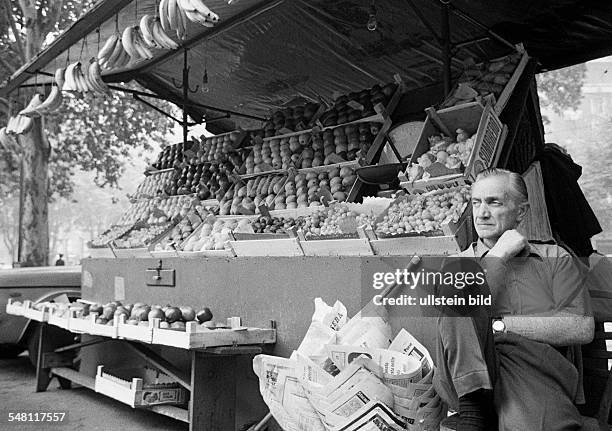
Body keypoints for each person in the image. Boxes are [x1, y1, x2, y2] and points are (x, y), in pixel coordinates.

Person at [432, 168, 594, 430]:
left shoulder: (554, 257)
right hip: (463, 377)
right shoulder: (458, 262)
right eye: (476, 203)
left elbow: (581, 327)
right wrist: (498, 255)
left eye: (494, 202)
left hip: (531, 369)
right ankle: (474, 411)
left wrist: (500, 326)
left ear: (521, 211)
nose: (481, 213)